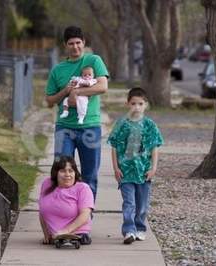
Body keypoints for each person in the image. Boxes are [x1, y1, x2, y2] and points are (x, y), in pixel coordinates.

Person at [45, 25, 109, 200]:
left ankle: (85, 215)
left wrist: (76, 92)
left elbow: (102, 86)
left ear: (84, 43)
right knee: (62, 172)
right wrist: (65, 92)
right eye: (71, 43)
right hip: (64, 128)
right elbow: (50, 101)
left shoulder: (94, 61)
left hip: (90, 127)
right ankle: (65, 211)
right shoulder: (58, 70)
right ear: (66, 45)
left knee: (90, 175)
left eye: (78, 43)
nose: (75, 47)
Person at [107, 87, 164, 245]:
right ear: (127, 104)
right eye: (133, 104)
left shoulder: (149, 125)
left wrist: (153, 168)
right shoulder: (122, 124)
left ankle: (140, 228)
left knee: (142, 204)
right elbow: (114, 146)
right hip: (126, 171)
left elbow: (154, 147)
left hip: (143, 171)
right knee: (129, 202)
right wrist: (115, 168)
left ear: (146, 104)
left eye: (140, 104)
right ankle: (129, 230)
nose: (136, 107)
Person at [39, 156, 94, 245]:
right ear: (55, 173)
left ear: (75, 173)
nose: (67, 174)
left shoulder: (83, 188)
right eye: (63, 171)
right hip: (55, 237)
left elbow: (85, 215)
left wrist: (65, 231)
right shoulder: (47, 184)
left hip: (76, 235)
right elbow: (42, 210)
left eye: (71, 171)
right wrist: (46, 234)